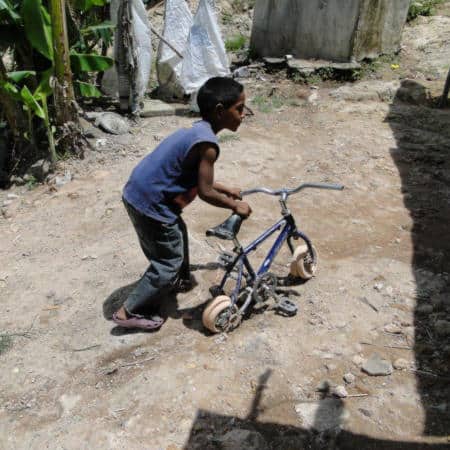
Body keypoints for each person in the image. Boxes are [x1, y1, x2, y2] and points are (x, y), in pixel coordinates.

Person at [112, 77, 252, 330]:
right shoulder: (209, 145)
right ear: (220, 111)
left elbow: (197, 177)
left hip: (139, 192)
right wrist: (234, 206)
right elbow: (205, 192)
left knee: (178, 233)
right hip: (151, 204)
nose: (244, 115)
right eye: (239, 109)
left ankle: (180, 279)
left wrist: (227, 189)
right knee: (167, 262)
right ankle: (127, 311)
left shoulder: (197, 131)